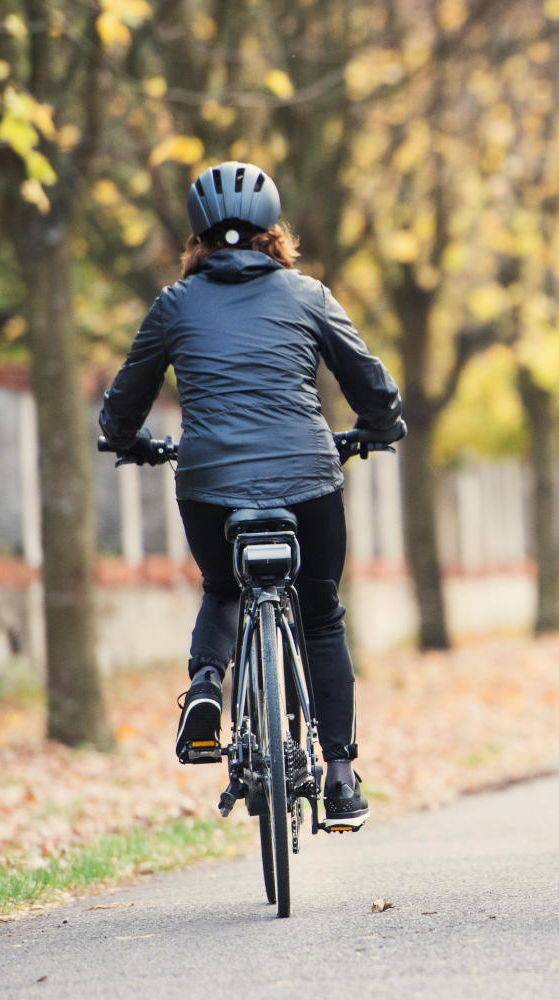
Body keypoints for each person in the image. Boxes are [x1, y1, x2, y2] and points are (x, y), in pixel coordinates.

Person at [99, 160, 406, 832]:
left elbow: (124, 401)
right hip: (308, 479)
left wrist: (126, 439)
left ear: (197, 238)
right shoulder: (309, 296)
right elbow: (370, 384)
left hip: (210, 483)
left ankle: (207, 686)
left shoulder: (173, 306)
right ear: (276, 232)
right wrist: (381, 427)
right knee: (321, 613)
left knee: (222, 588)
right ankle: (343, 776)